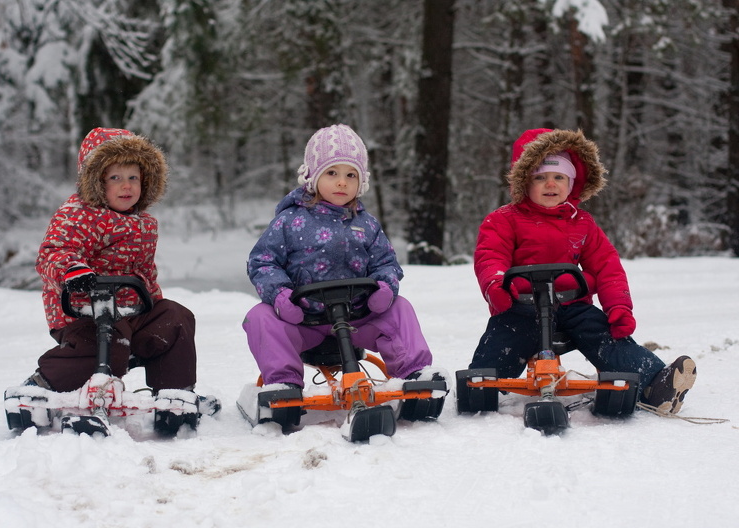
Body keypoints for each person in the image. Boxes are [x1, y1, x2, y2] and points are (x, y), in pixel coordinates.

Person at [469, 128, 696, 415]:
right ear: (523, 182)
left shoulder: (583, 224)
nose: (550, 184)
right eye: (540, 177)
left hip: (572, 305)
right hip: (521, 306)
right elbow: (490, 257)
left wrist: (619, 306)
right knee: (501, 343)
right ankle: (479, 387)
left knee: (605, 336)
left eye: (559, 177)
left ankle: (655, 383)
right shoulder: (503, 220)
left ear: (572, 182)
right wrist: (496, 286)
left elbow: (607, 267)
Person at [242, 124, 446, 410]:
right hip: (304, 321)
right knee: (259, 316)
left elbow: (385, 262)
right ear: (313, 176)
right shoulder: (289, 222)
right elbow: (262, 261)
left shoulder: (367, 224)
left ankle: (414, 373)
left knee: (400, 308)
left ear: (361, 181)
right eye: (332, 173)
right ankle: (283, 383)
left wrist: (385, 287)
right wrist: (280, 296)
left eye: (351, 175)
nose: (342, 183)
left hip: (358, 318)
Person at [24, 128, 210, 418]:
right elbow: (54, 252)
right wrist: (71, 270)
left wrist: (153, 302)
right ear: (97, 181)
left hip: (131, 310)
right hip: (83, 311)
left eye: (133, 177)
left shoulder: (144, 223)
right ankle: (44, 383)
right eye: (115, 178)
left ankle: (175, 395)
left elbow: (145, 273)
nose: (127, 186)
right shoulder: (77, 214)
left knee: (175, 319)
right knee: (112, 341)